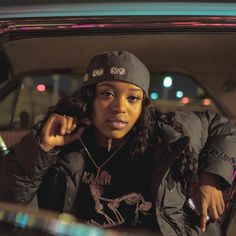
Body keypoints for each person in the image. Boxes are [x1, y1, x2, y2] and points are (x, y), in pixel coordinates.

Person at [0, 51, 235, 236]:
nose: (120, 108)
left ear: (142, 106)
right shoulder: (64, 146)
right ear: (89, 99)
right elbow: (7, 202)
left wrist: (211, 178)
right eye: (107, 94)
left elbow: (225, 127)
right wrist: (42, 147)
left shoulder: (165, 136)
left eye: (132, 98)